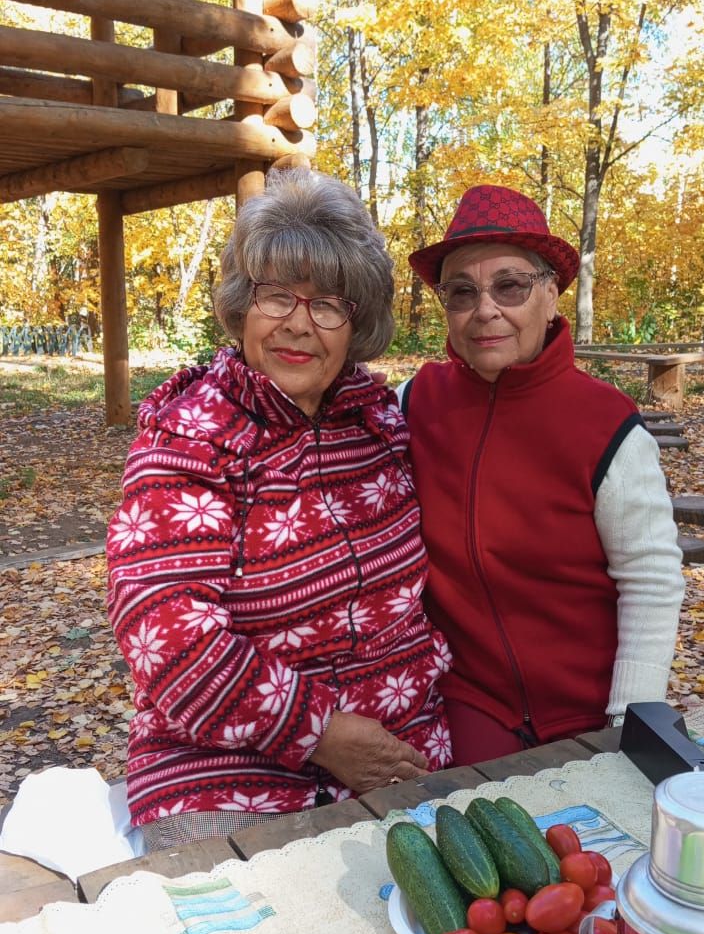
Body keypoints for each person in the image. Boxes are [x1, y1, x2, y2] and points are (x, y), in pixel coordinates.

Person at [107, 168, 452, 848]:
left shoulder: (379, 423)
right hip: (225, 771)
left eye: (329, 302)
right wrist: (319, 732)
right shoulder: (193, 435)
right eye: (276, 296)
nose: (300, 322)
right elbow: (168, 639)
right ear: (242, 304)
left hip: (402, 755)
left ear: (358, 325)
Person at [400, 183, 684, 763]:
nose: (485, 310)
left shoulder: (606, 423)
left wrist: (625, 720)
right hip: (468, 701)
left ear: (551, 295)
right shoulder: (412, 404)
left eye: (510, 286)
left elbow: (650, 577)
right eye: (461, 292)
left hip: (591, 707)